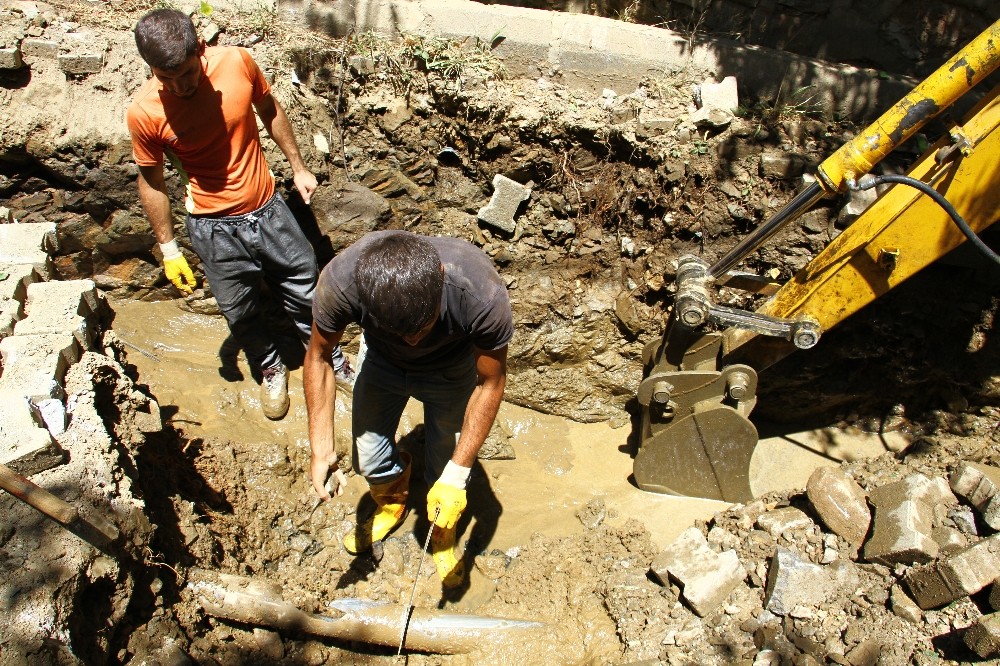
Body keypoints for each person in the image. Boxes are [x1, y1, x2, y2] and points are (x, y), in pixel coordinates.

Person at [126, 8, 353, 421]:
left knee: (305, 289)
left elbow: (270, 109)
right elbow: (152, 181)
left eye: (187, 73)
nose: (179, 86)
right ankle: (269, 365)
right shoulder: (145, 112)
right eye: (165, 78)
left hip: (268, 209)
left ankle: (329, 355)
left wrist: (298, 167)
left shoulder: (237, 63)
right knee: (239, 308)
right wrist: (169, 247)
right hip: (212, 227)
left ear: (200, 49)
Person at [304, 230, 512, 587]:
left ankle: (441, 530)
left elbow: (490, 382)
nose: (413, 340)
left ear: (441, 284)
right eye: (401, 331)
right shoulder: (341, 283)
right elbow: (319, 356)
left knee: (445, 461)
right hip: (382, 363)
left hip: (451, 369)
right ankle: (391, 503)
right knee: (366, 458)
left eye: (422, 328)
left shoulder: (479, 292)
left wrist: (457, 475)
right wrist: (321, 447)